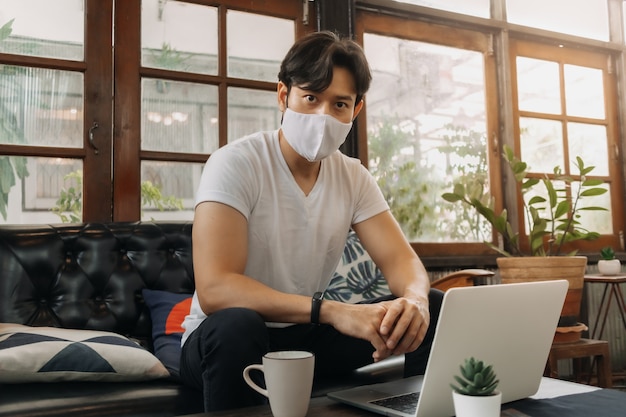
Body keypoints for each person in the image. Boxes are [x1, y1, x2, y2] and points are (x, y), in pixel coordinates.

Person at [179, 30, 443, 412]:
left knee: (432, 307)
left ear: (356, 110)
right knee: (239, 325)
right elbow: (217, 289)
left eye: (339, 104)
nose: (323, 115)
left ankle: (412, 409)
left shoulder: (353, 177)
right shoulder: (236, 163)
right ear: (284, 96)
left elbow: (402, 263)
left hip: (305, 340)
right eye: (311, 97)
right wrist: (335, 312)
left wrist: (415, 300)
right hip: (220, 339)